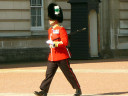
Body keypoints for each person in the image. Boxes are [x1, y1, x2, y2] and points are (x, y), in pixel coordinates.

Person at [34, 3, 82, 96]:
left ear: (55, 20)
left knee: (68, 74)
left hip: (62, 56)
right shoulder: (50, 30)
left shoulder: (61, 29)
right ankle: (44, 91)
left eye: (51, 19)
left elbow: (65, 42)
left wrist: (55, 43)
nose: (49, 20)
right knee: (48, 74)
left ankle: (78, 89)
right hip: (52, 56)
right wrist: (51, 44)